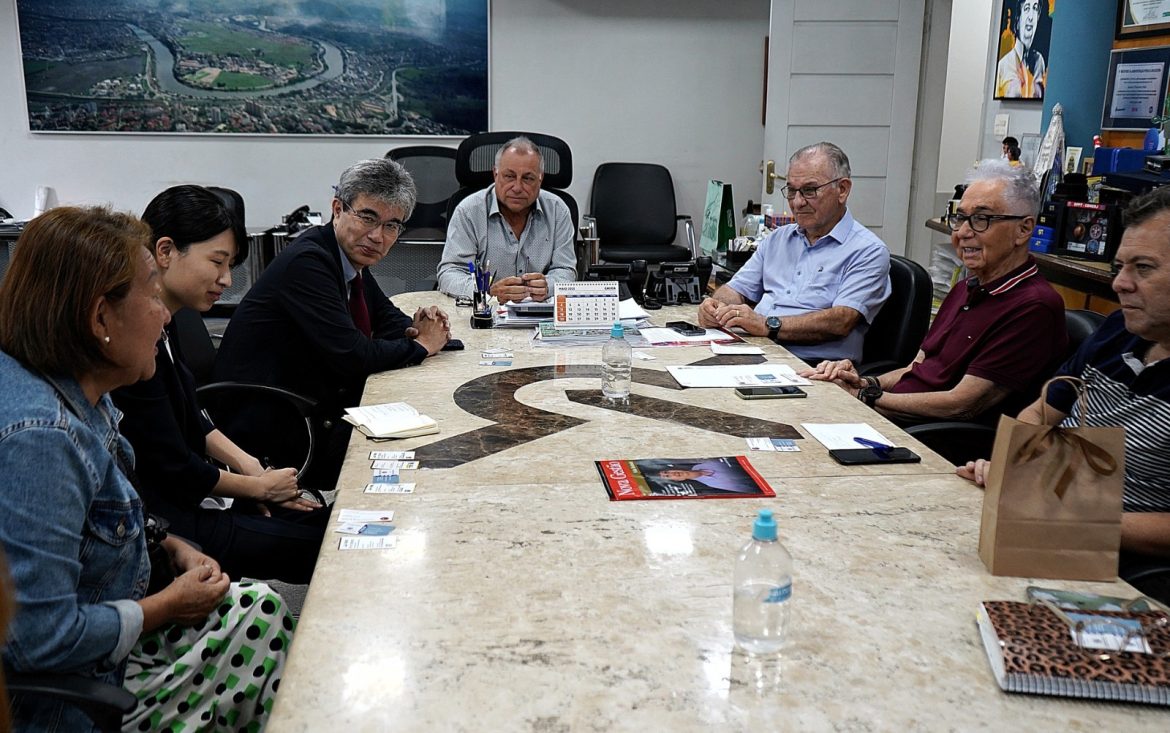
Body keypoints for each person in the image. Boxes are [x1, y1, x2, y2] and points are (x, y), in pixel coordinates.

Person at [0, 206, 291, 732]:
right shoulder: (39, 441)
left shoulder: (84, 392)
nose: (164, 314)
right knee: (261, 627)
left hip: (108, 643)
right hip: (76, 697)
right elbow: (38, 639)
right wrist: (165, 606)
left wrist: (165, 542)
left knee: (258, 610)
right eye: (152, 295)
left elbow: (104, 517)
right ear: (99, 318)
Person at [112, 185, 329, 584]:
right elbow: (174, 466)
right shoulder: (136, 339)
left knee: (336, 525)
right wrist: (256, 488)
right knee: (333, 547)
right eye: (217, 262)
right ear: (164, 251)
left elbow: (192, 412)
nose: (227, 279)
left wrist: (251, 469)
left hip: (202, 492)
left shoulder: (169, 321)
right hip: (176, 516)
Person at [959, 186, 1170, 566]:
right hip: (1050, 520)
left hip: (1123, 563)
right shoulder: (1119, 331)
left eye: (1143, 267)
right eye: (1119, 266)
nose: (1120, 283)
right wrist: (1012, 468)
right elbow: (1040, 413)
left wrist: (1075, 519)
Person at [213, 159, 451, 490]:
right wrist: (422, 344)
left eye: (392, 226)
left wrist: (425, 326)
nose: (377, 236)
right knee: (420, 460)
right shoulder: (309, 262)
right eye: (368, 217)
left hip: (317, 403)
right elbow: (354, 354)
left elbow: (386, 318)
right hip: (281, 424)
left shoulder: (348, 260)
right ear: (338, 208)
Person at [803, 160, 1067, 425]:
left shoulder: (1033, 306)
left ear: (1023, 229)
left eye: (981, 219)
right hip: (891, 416)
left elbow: (962, 405)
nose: (963, 232)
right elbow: (916, 369)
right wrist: (864, 381)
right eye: (960, 217)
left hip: (934, 439)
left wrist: (865, 395)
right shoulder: (967, 287)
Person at [697, 142, 891, 363]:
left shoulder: (868, 251)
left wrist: (767, 324)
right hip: (756, 350)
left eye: (810, 190)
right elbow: (735, 289)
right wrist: (717, 307)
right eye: (791, 191)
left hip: (813, 367)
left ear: (842, 190)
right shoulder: (778, 239)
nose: (798, 202)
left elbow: (840, 321)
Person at [437, 136, 576, 303]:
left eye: (528, 178)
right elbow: (450, 273)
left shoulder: (557, 211)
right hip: (486, 317)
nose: (517, 188)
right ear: (495, 174)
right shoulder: (469, 211)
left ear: (540, 178)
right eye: (509, 176)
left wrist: (549, 286)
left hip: (540, 316)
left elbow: (566, 270)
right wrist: (487, 291)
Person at [996, 0, 1046, 99]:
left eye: (1035, 9)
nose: (1031, 17)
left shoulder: (1039, 61)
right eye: (1027, 8)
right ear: (1017, 20)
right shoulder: (1004, 64)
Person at [652, 458, 761, 494]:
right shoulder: (714, 486)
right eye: (668, 476)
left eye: (667, 471)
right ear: (678, 480)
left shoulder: (708, 462)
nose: (671, 474)